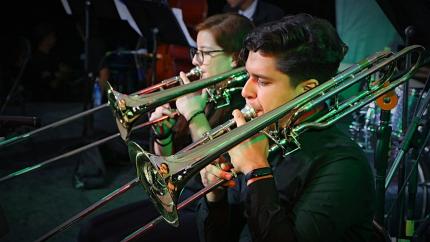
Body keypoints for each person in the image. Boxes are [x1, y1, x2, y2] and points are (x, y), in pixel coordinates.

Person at [196, 13, 376, 242]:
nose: (245, 91)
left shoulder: (343, 166)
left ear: (306, 89)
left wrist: (256, 170)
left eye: (262, 81)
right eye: (247, 76)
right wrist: (215, 197)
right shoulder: (261, 134)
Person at [78, 13, 254, 242]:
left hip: (214, 211)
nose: (195, 61)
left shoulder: (244, 103)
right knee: (92, 228)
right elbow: (170, 168)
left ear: (234, 58)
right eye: (196, 51)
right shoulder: (205, 92)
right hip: (182, 197)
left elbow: (214, 169)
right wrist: (164, 137)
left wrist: (194, 115)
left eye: (205, 53)